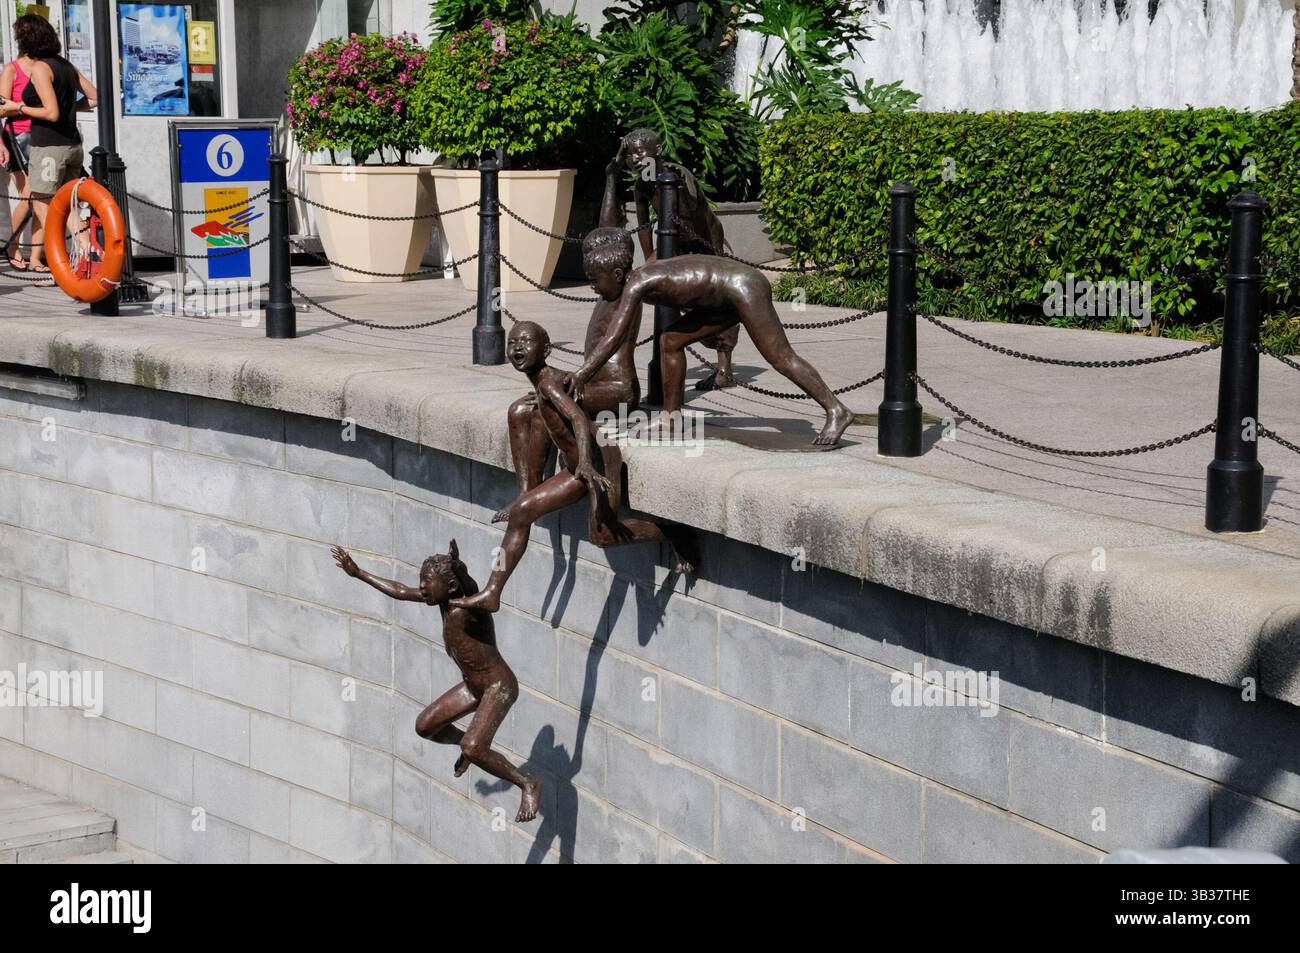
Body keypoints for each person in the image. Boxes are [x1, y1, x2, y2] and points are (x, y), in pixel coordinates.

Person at [454, 321, 693, 615]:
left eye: (526, 342)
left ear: (546, 350)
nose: (517, 347)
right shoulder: (543, 385)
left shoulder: (547, 383)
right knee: (523, 511)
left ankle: (673, 533)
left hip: (597, 462)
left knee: (602, 536)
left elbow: (579, 419)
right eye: (513, 342)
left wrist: (585, 463)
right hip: (578, 466)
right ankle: (492, 592)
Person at [569, 227, 853, 448]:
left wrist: (581, 375)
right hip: (723, 295)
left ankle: (836, 409)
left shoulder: (637, 283)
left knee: (780, 356)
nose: (592, 287)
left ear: (617, 274)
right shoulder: (638, 278)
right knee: (670, 341)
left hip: (743, 287)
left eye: (595, 280)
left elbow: (614, 336)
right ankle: (671, 418)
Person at [331, 540, 543, 823]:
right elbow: (401, 591)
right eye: (422, 582)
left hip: (497, 686)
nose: (421, 588)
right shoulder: (440, 601)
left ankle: (526, 782)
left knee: (473, 746)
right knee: (426, 726)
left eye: (427, 583)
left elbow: (471, 586)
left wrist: (460, 568)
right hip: (472, 686)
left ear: (451, 586)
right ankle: (471, 746)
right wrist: (359, 573)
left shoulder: (469, 606)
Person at [599, 128, 741, 390]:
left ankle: (725, 368)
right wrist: (652, 260)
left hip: (701, 240)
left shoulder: (676, 176)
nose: (636, 159)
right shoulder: (642, 185)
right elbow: (643, 226)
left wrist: (662, 258)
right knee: (651, 288)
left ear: (658, 151)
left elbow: (687, 217)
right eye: (630, 154)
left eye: (642, 152)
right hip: (673, 240)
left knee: (716, 298)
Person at [0, 14, 97, 283]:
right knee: (62, 205)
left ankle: (62, 264)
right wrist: (71, 108)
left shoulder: (42, 68)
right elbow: (95, 97)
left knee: (47, 206)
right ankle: (76, 258)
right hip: (67, 144)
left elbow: (51, 112)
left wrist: (17, 107)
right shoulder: (64, 65)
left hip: (48, 145)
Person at [0, 26, 36, 270]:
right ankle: (12, 245)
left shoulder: (46, 67)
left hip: (44, 136)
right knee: (31, 194)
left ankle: (35, 255)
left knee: (40, 198)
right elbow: (2, 106)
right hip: (17, 136)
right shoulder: (11, 68)